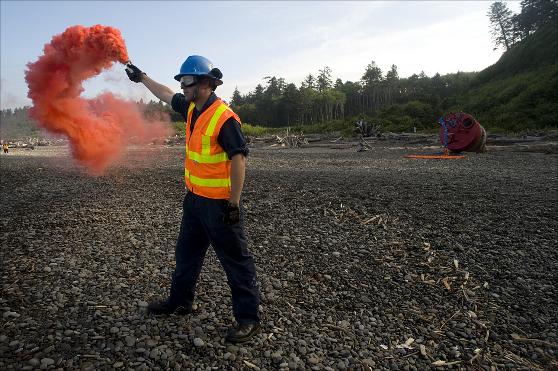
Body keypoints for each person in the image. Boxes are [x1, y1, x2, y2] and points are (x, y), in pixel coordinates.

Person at [125, 56, 261, 343]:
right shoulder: (190, 108)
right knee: (186, 255)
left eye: (187, 81)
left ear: (205, 83)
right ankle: (180, 302)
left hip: (221, 205)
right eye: (182, 81)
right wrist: (142, 77)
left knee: (236, 261)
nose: (182, 85)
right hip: (195, 201)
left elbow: (239, 159)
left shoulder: (224, 117)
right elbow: (164, 93)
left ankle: (248, 319)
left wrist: (234, 203)